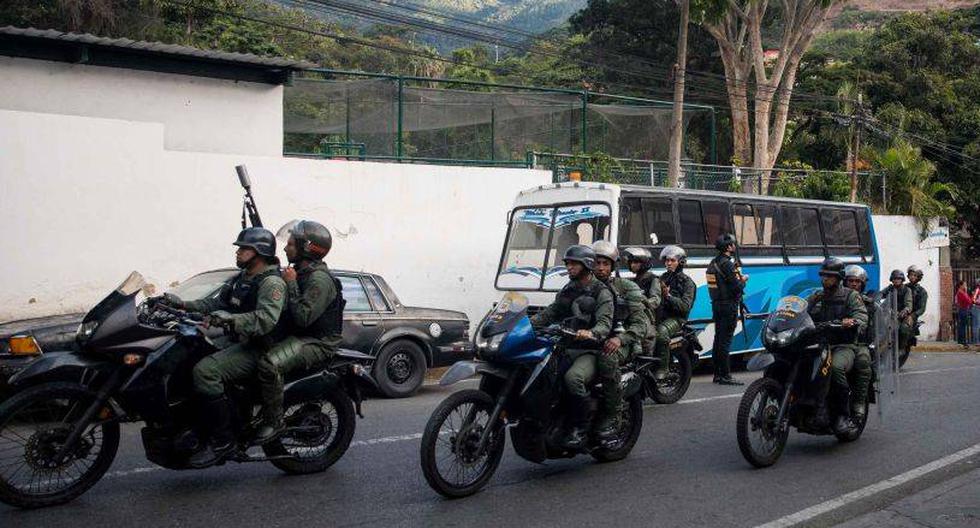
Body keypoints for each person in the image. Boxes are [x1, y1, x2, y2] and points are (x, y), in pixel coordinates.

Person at [162, 227, 288, 467]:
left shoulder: (271, 282)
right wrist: (181, 304)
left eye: (243, 248)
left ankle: (223, 440)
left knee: (206, 371)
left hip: (261, 347)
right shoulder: (242, 278)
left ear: (259, 252)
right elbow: (216, 302)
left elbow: (266, 319)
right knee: (188, 358)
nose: (238, 252)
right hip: (239, 341)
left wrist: (229, 319)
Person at [252, 220, 344, 445]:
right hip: (298, 336)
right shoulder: (301, 272)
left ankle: (274, 422)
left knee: (269, 364)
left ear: (306, 248)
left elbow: (303, 318)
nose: (285, 248)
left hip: (317, 342)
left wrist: (291, 284)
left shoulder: (319, 279)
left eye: (291, 244)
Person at [529, 245, 614, 450]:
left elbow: (605, 323)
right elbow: (551, 312)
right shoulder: (569, 288)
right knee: (541, 374)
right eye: (567, 263)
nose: (569, 267)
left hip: (590, 350)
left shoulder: (601, 291)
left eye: (573, 263)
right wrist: (526, 324)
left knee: (572, 378)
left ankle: (580, 428)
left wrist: (592, 332)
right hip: (565, 346)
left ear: (586, 264)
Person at [590, 241, 649, 441]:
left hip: (623, 343)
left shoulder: (626, 287)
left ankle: (613, 413)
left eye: (605, 264)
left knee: (606, 358)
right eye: (597, 263)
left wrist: (620, 338)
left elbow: (641, 325)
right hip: (591, 341)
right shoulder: (583, 285)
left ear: (613, 266)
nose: (600, 268)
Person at [805, 258, 868, 434]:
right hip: (818, 344)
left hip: (843, 345)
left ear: (839, 278)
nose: (825, 279)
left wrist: (853, 321)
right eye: (824, 276)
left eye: (830, 277)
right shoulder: (817, 296)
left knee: (834, 367)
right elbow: (800, 311)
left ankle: (842, 414)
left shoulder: (851, 295)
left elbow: (862, 316)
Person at [706, 234, 748, 385]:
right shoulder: (727, 264)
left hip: (716, 305)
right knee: (725, 341)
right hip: (728, 306)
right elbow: (737, 288)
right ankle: (726, 376)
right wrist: (743, 281)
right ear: (729, 247)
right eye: (733, 244)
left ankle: (717, 374)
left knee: (718, 339)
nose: (734, 246)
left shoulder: (713, 263)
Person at [653, 246, 696, 381]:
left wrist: (668, 296)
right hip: (660, 316)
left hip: (677, 319)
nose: (668, 263)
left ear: (681, 262)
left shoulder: (688, 283)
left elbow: (685, 307)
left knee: (661, 333)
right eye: (667, 261)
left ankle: (663, 368)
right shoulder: (663, 278)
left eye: (672, 260)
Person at [843, 265, 875, 422]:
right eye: (850, 280)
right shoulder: (837, 298)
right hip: (834, 341)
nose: (854, 284)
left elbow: (876, 328)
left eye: (857, 281)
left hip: (859, 343)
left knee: (863, 362)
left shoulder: (869, 304)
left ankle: (859, 402)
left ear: (863, 284)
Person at [623, 247, 662, 374]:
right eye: (631, 262)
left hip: (647, 320)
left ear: (643, 264)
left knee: (645, 356)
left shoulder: (653, 279)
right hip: (633, 317)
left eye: (636, 262)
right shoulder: (633, 281)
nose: (632, 265)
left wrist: (643, 300)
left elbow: (655, 300)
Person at [881, 270, 914, 352]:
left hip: (903, 315)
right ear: (891, 279)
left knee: (904, 329)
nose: (896, 280)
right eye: (894, 278)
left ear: (902, 279)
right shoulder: (890, 288)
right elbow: (881, 294)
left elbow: (908, 304)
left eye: (898, 278)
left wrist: (905, 310)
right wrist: (874, 298)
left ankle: (902, 348)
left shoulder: (907, 290)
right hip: (891, 314)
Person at [907, 265, 928, 350]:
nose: (912, 277)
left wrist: (912, 315)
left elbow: (922, 309)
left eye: (915, 275)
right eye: (911, 275)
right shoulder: (904, 287)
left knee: (905, 328)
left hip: (912, 315)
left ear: (918, 277)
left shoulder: (922, 291)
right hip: (901, 313)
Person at [955, 280, 972, 348]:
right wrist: (967, 293)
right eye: (964, 285)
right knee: (962, 326)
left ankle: (961, 341)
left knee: (962, 326)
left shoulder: (961, 292)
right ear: (961, 286)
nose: (965, 286)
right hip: (963, 310)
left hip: (963, 310)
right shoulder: (961, 293)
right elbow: (969, 301)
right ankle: (963, 341)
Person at [972, 280, 980, 346]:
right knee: (976, 325)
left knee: (977, 325)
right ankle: (976, 341)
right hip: (976, 308)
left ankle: (977, 341)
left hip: (977, 308)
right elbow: (973, 299)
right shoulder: (977, 290)